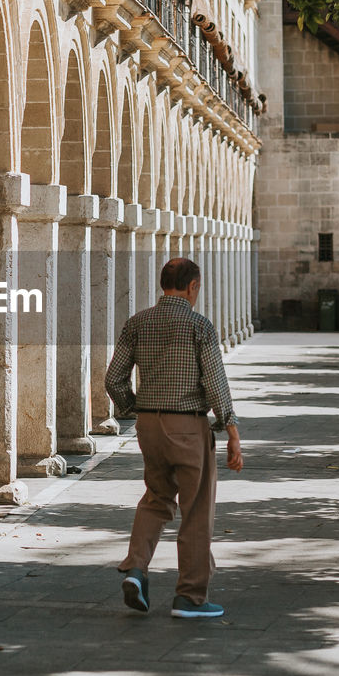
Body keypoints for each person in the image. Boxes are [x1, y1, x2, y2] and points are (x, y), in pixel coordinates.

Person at [104, 257, 243, 618]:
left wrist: (136, 409)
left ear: (163, 284)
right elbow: (215, 383)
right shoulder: (200, 326)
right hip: (188, 427)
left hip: (149, 426)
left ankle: (136, 568)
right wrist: (231, 431)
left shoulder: (137, 323)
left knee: (156, 497)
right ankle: (190, 597)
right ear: (193, 286)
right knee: (196, 510)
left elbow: (113, 378)